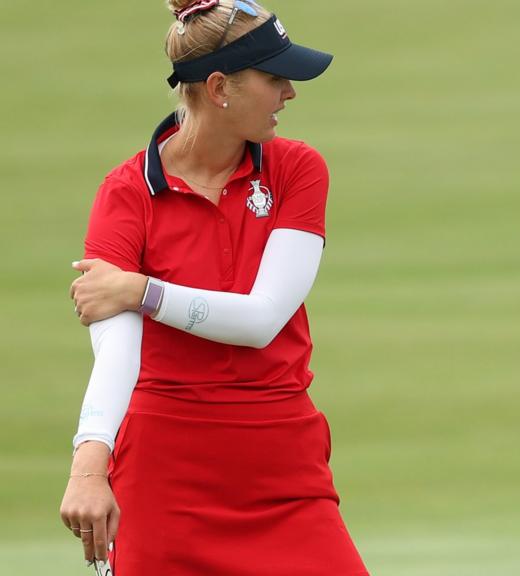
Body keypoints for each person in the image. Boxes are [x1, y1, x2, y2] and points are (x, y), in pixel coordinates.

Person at [58, 1, 368, 573]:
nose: (290, 94)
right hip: (164, 475)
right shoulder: (125, 194)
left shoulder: (297, 169)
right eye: (276, 79)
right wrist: (89, 466)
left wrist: (142, 291)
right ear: (221, 87)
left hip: (283, 468)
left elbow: (262, 319)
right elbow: (117, 353)